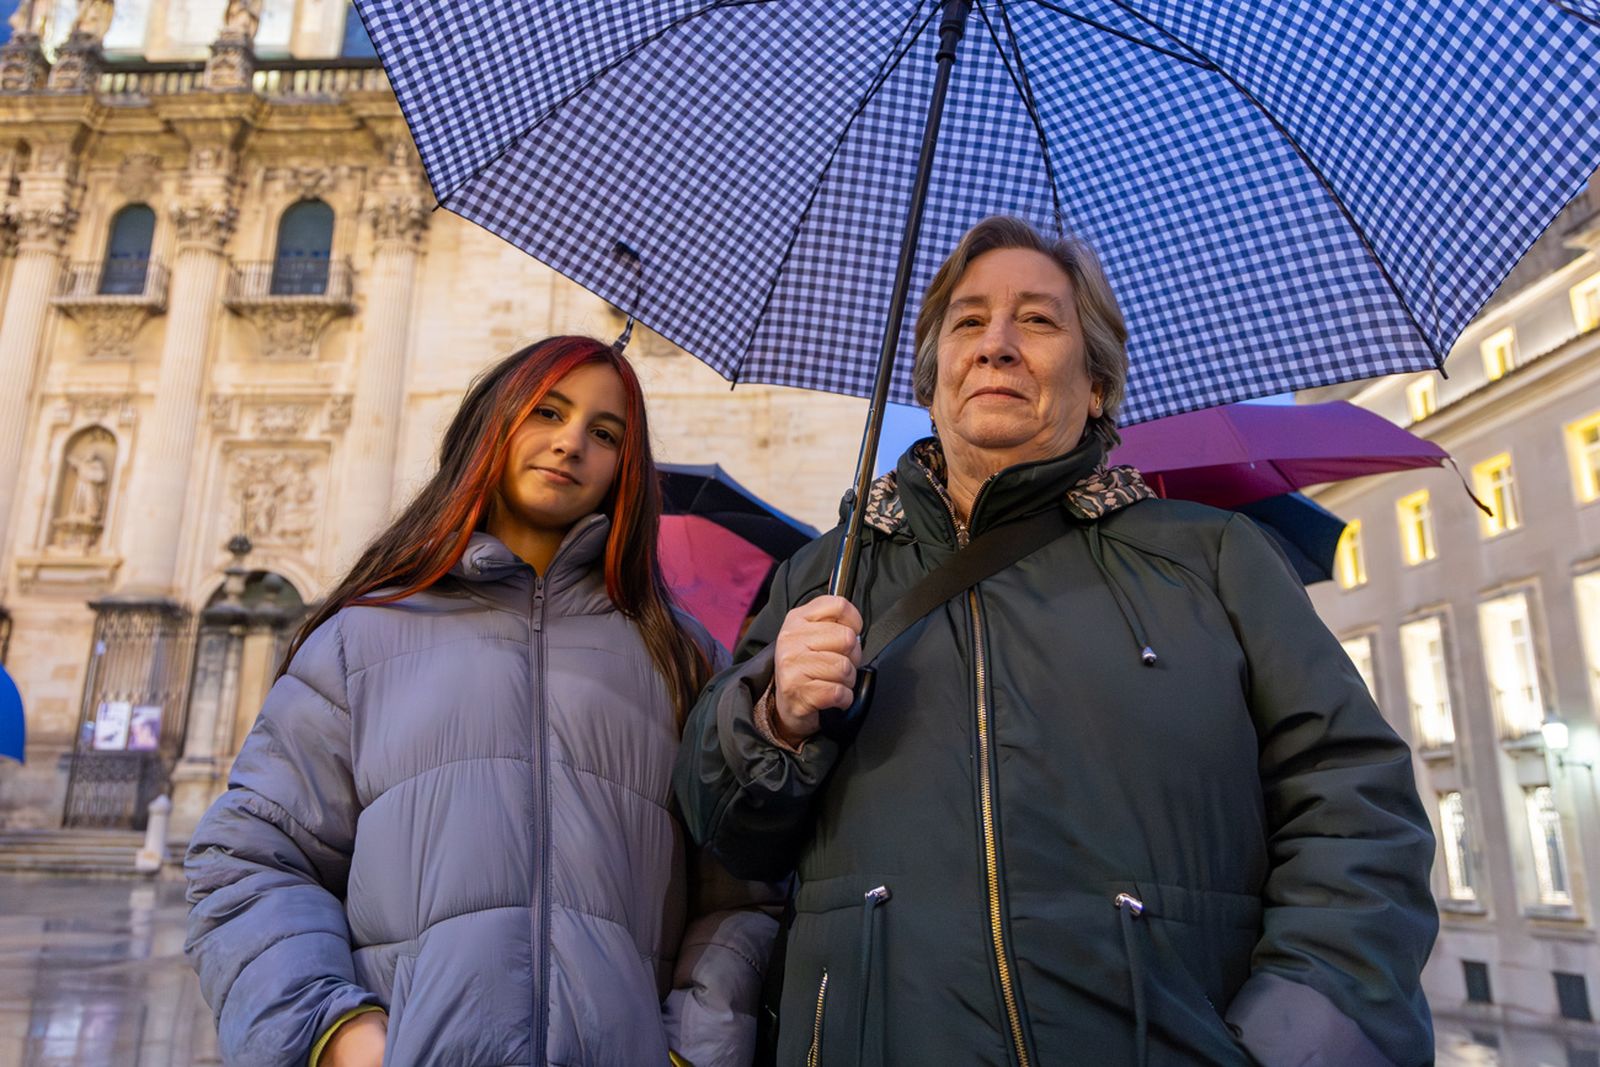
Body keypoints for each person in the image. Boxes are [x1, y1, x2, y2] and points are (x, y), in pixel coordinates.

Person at [676, 218, 1438, 1066]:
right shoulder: (823, 577)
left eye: (1038, 320)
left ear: (1099, 382)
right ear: (933, 381)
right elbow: (726, 838)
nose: (996, 344)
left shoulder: (1214, 558)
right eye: (967, 322)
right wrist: (774, 720)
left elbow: (1356, 813)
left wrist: (1282, 1047)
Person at [186, 336, 779, 1067]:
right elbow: (249, 856)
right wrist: (337, 1035)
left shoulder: (679, 657)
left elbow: (743, 888)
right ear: (491, 424)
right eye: (547, 411)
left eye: (605, 432)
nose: (571, 443)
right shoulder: (361, 639)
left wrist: (693, 1050)